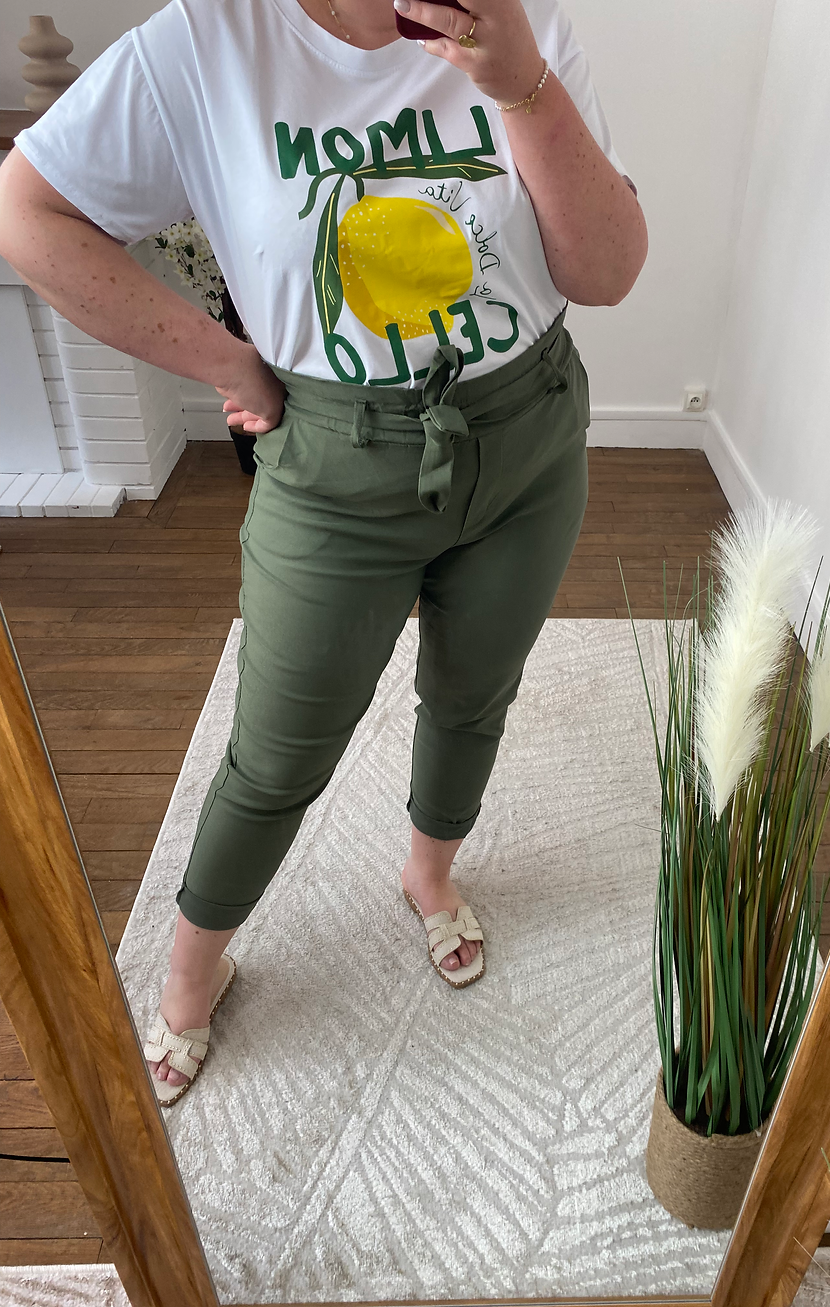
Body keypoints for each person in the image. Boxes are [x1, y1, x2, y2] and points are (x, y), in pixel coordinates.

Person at [0, 0, 647, 1104]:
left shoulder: (517, 19)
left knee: (474, 693)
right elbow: (27, 210)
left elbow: (606, 272)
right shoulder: (207, 42)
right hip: (334, 462)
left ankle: (427, 870)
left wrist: (523, 83)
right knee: (277, 749)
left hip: (527, 433)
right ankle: (192, 970)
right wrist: (224, 359)